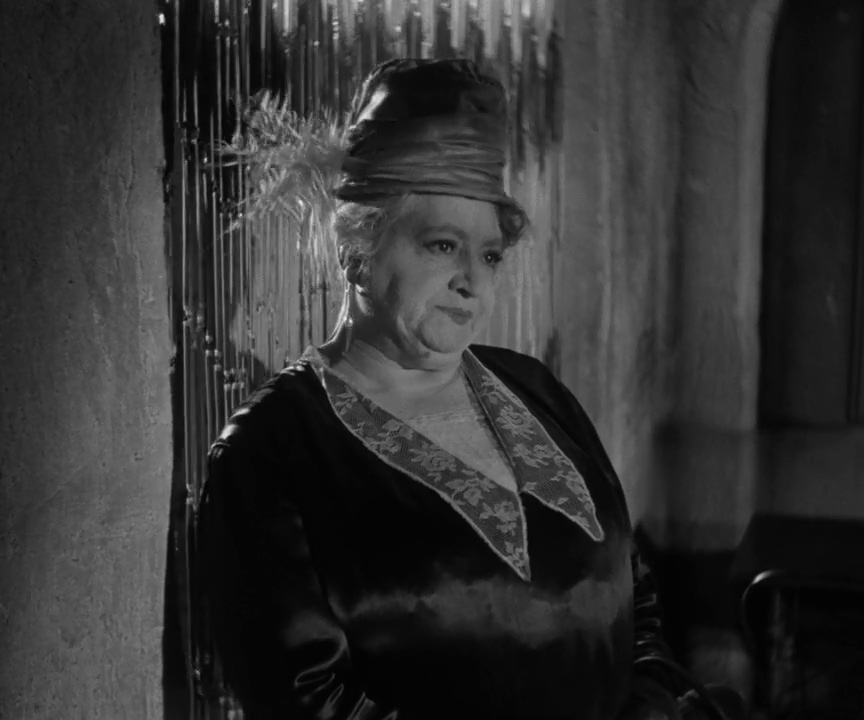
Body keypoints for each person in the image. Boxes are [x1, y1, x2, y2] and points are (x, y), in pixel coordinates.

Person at [196, 58, 734, 720]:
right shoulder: (269, 453)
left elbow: (637, 605)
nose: (473, 283)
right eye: (442, 245)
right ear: (355, 250)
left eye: (489, 255)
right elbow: (309, 702)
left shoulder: (535, 389)